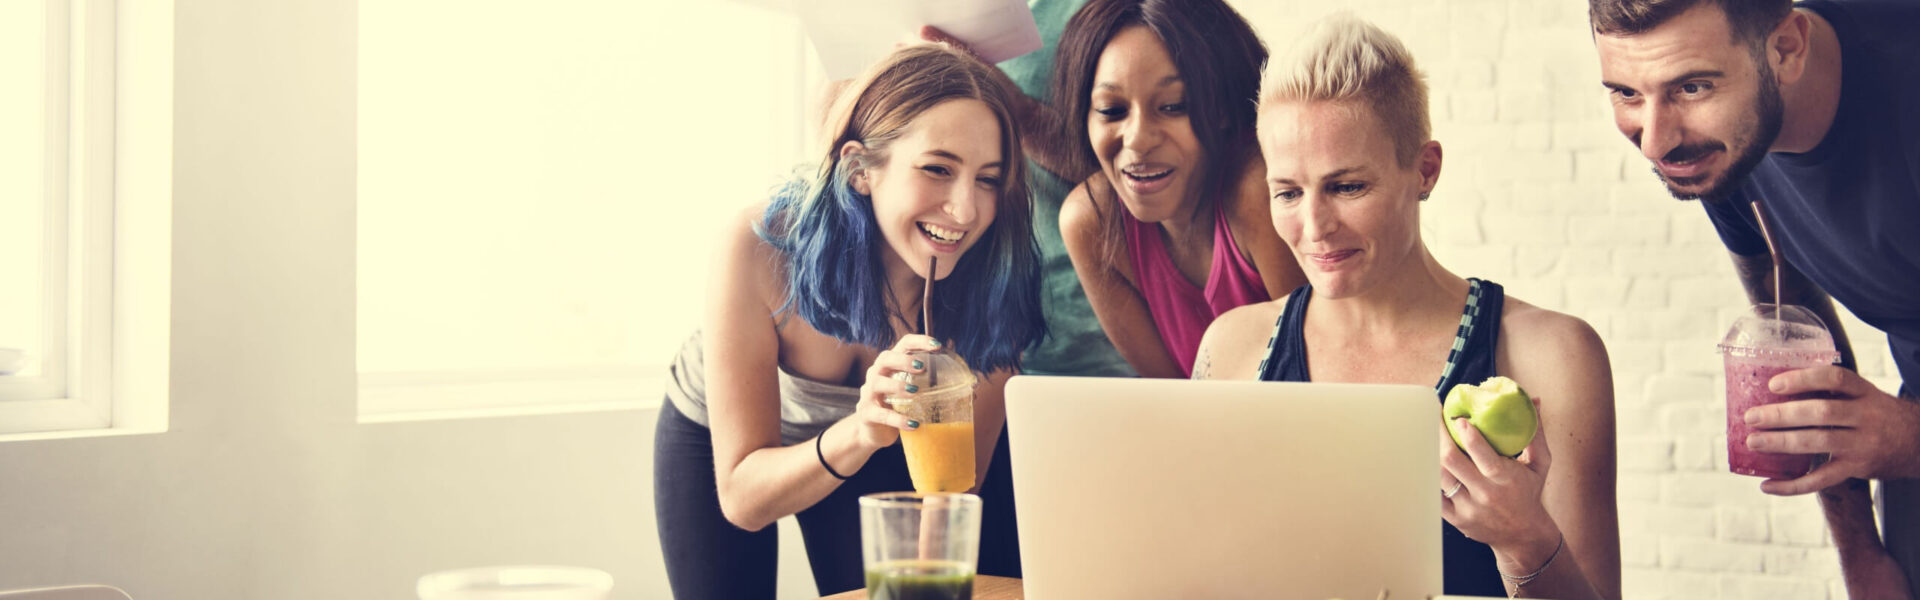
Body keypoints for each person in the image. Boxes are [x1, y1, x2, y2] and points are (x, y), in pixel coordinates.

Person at [1195, 14, 1621, 598]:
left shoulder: (1551, 355)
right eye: (1288, 192)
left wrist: (1525, 541)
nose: (1314, 227)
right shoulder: (1232, 348)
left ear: (1424, 170)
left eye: (1347, 187)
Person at [653, 43, 1046, 598]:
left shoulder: (994, 285)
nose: (966, 210)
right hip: (729, 444)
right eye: (938, 169)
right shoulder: (760, 248)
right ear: (861, 169)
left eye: (988, 179)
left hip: (885, 443)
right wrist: (858, 431)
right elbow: (743, 500)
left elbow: (946, 502)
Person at [1587, 0, 1920, 595]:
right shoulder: (1719, 150)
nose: (1656, 142)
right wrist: (1861, 553)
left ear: (1787, 48)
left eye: (1691, 87)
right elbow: (1792, 330)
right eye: (1626, 93)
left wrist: (1911, 439)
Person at [1052, 0, 1308, 378]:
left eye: (1173, 106)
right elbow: (1171, 397)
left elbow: (1314, 385)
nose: (1137, 140)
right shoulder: (1089, 221)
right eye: (1111, 110)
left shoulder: (1260, 192)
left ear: (1223, 106)